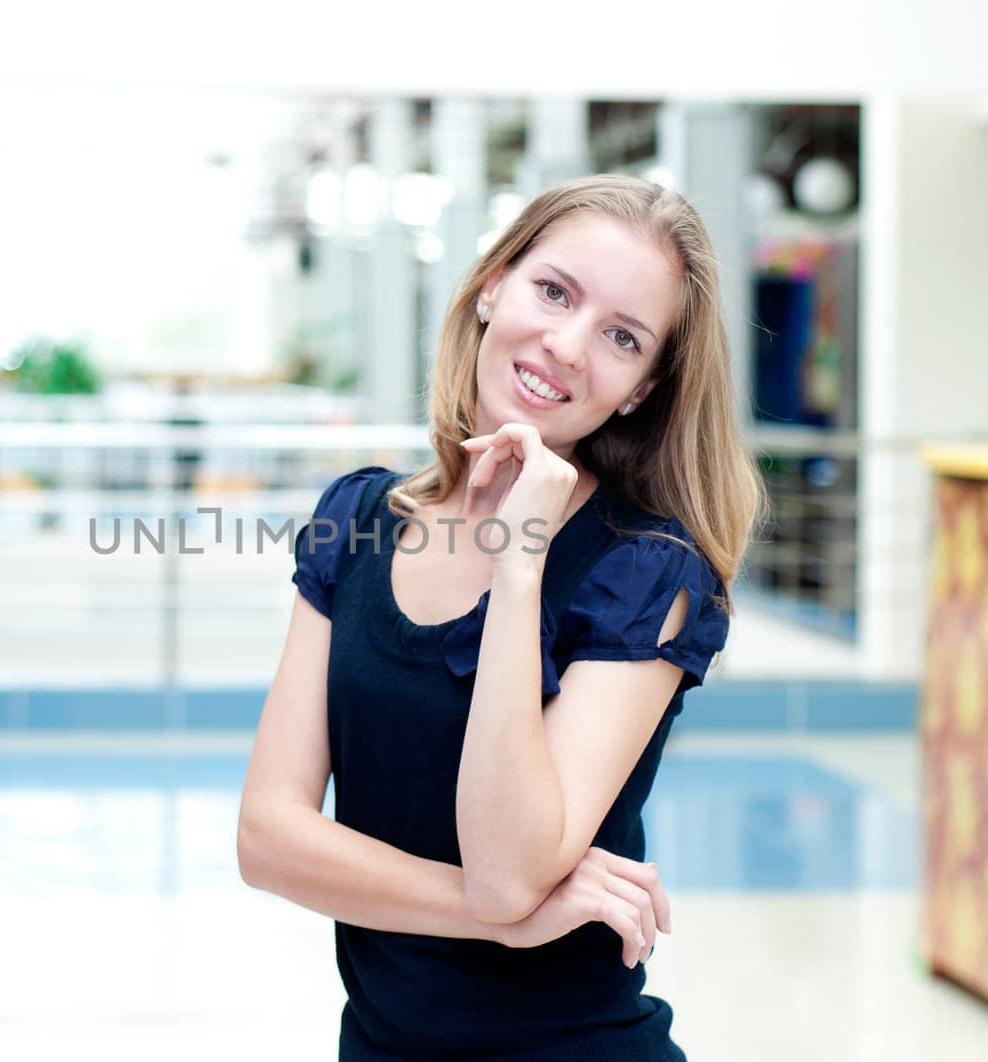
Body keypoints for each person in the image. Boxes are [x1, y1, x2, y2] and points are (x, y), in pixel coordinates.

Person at [237, 173, 763, 1061]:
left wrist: (521, 562)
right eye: (553, 291)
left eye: (621, 337)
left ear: (638, 389)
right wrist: (499, 919)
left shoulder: (648, 570)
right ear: (493, 285)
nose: (565, 344)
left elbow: (509, 868)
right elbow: (268, 837)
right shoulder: (356, 520)